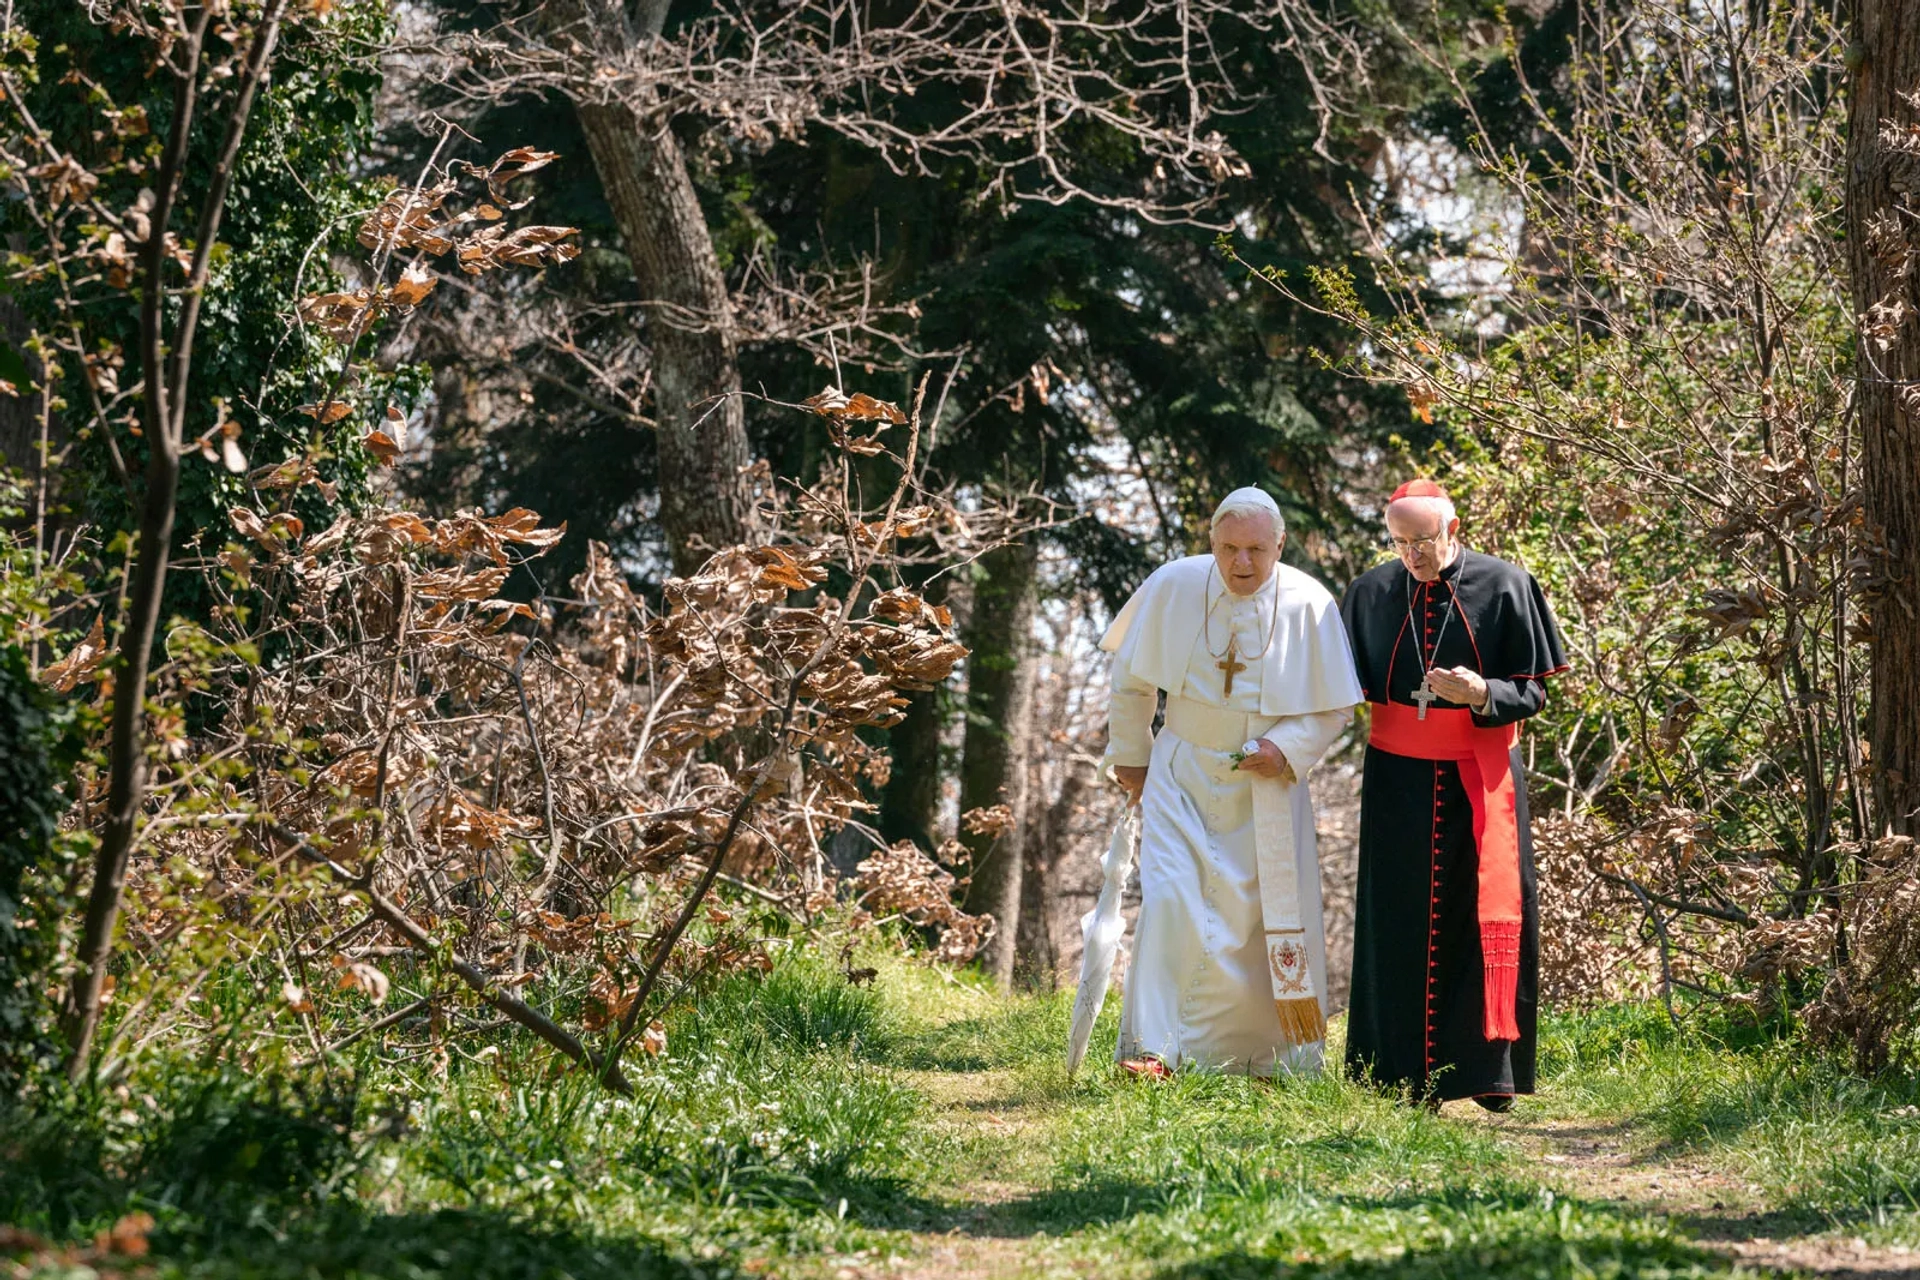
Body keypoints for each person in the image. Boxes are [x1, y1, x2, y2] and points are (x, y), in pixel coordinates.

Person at [1100, 487, 1364, 1077]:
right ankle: (1154, 1049)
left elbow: (1332, 707)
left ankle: (1265, 1061)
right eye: (1227, 548)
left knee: (1256, 922)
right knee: (1170, 901)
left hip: (1266, 785)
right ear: (1210, 543)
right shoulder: (1173, 585)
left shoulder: (1308, 603)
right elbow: (1132, 679)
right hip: (1181, 771)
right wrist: (1132, 756)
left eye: (1255, 551)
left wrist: (1284, 748)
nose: (1241, 564)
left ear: (1280, 546)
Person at [1341, 479, 1568, 1109]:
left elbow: (1535, 693)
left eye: (1424, 541)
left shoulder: (1505, 585)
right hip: (1396, 781)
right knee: (1398, 918)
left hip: (1482, 773)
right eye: (1400, 543)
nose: (1413, 555)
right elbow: (1337, 684)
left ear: (1453, 529)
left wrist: (1482, 694)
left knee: (1483, 915)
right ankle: (1397, 1075)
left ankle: (1486, 1075)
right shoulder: (1369, 592)